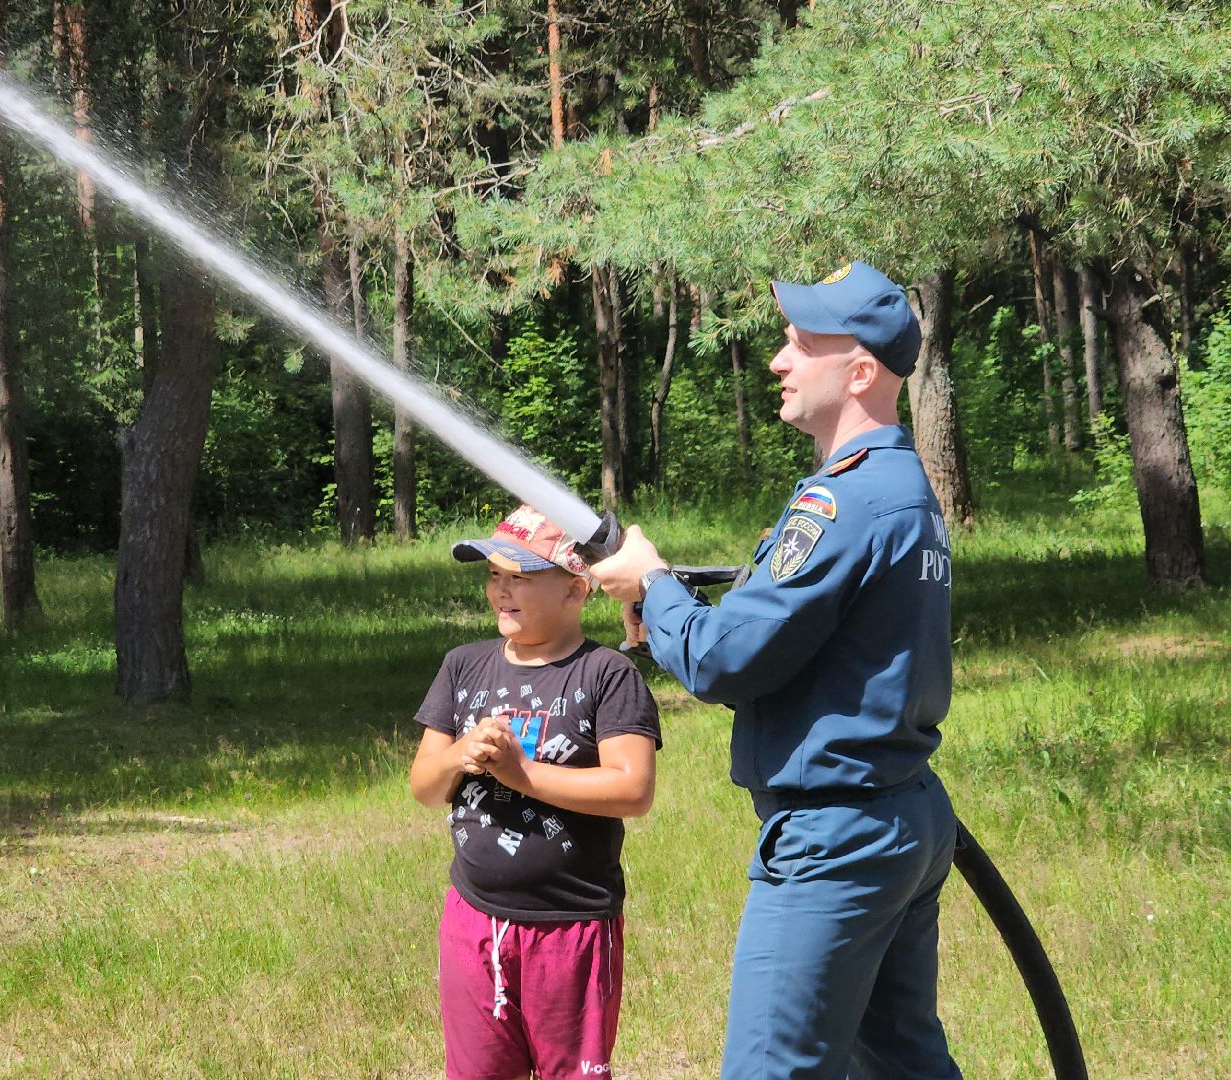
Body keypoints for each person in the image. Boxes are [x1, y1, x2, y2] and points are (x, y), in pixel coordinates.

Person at [590, 260, 961, 1080]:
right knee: (901, 1066)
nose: (778, 360)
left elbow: (729, 662)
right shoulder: (895, 488)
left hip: (835, 838)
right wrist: (665, 615)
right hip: (897, 817)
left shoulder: (847, 502)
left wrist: (651, 585)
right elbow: (811, 645)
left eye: (800, 343)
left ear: (860, 371)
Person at [409, 505, 663, 1080]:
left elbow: (633, 789)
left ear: (576, 591)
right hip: (473, 920)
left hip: (570, 924)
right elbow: (425, 787)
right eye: (494, 574)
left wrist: (520, 775)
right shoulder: (462, 667)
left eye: (520, 576)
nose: (501, 590)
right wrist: (459, 754)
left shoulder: (606, 674)